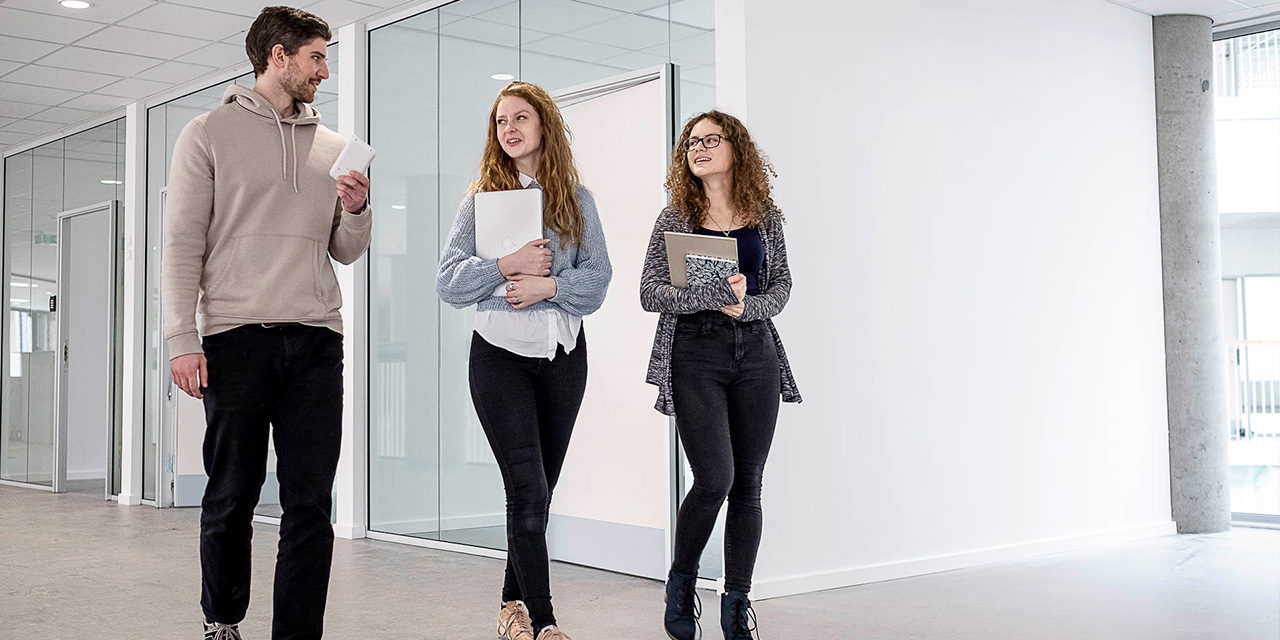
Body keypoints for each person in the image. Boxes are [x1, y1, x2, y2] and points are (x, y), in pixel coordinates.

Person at [162, 7, 371, 640]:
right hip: (234, 339)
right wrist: (180, 338)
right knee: (232, 495)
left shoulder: (336, 147)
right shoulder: (207, 133)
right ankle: (222, 617)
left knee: (311, 504)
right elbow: (181, 244)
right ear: (277, 56)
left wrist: (358, 211)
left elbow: (345, 250)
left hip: (316, 340)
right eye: (316, 56)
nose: (324, 70)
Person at [436, 81, 612, 640]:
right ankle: (544, 622)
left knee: (540, 490)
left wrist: (549, 286)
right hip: (499, 358)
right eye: (500, 122)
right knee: (528, 491)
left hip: (563, 357)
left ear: (543, 127)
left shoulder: (577, 201)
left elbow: (598, 280)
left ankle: (511, 603)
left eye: (520, 118)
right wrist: (507, 266)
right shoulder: (479, 202)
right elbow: (449, 281)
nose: (509, 129)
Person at [639, 110, 801, 640]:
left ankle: (737, 606)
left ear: (737, 149)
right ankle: (681, 583)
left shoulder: (765, 215)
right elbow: (650, 293)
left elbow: (781, 288)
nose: (699, 147)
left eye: (711, 139)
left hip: (755, 354)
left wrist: (747, 308)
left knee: (749, 485)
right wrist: (710, 296)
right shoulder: (674, 218)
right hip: (695, 354)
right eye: (691, 141)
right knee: (715, 479)